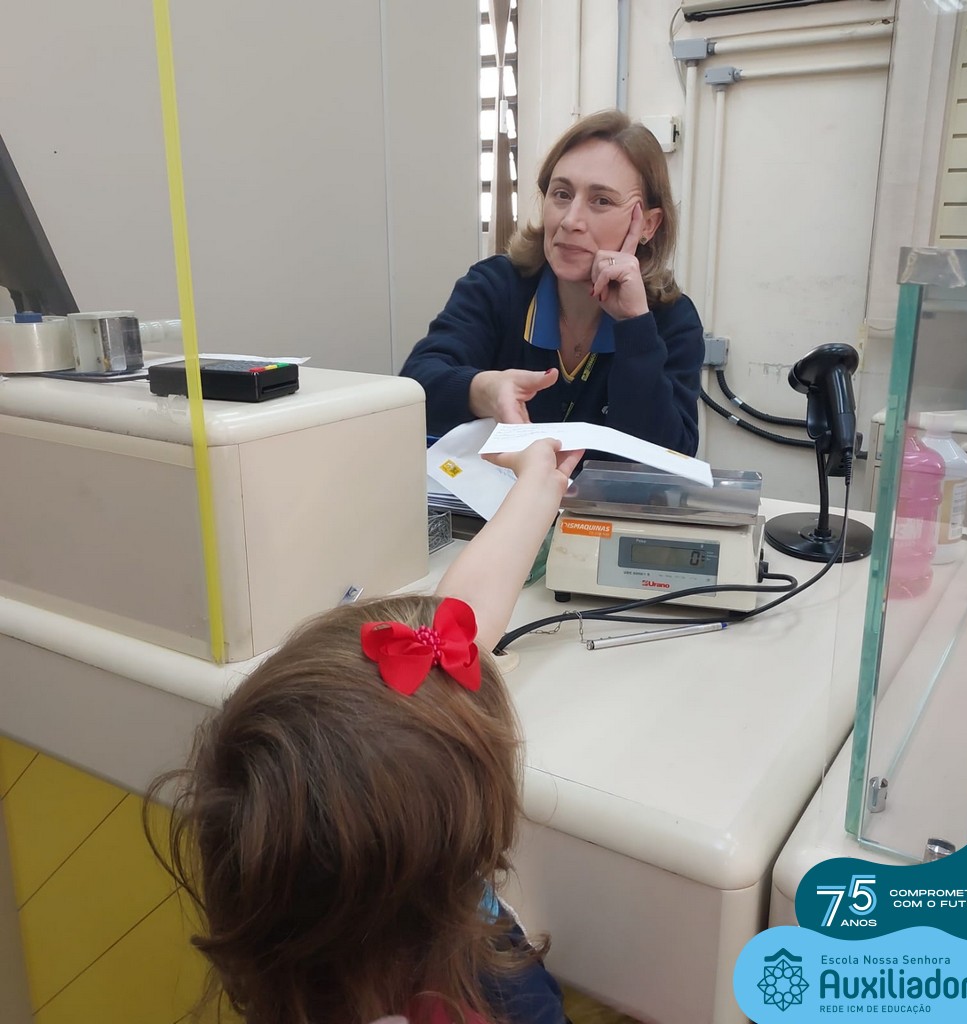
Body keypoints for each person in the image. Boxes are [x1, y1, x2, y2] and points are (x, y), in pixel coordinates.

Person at [144, 438, 584, 1024]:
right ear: (469, 838)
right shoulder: (502, 998)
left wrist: (538, 485)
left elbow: (449, 635)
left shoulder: (302, 935)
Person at [400, 109, 705, 456]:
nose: (571, 220)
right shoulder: (496, 286)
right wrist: (485, 390)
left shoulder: (672, 319)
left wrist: (634, 327)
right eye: (561, 194)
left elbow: (669, 458)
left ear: (648, 225)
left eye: (601, 201)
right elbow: (415, 388)